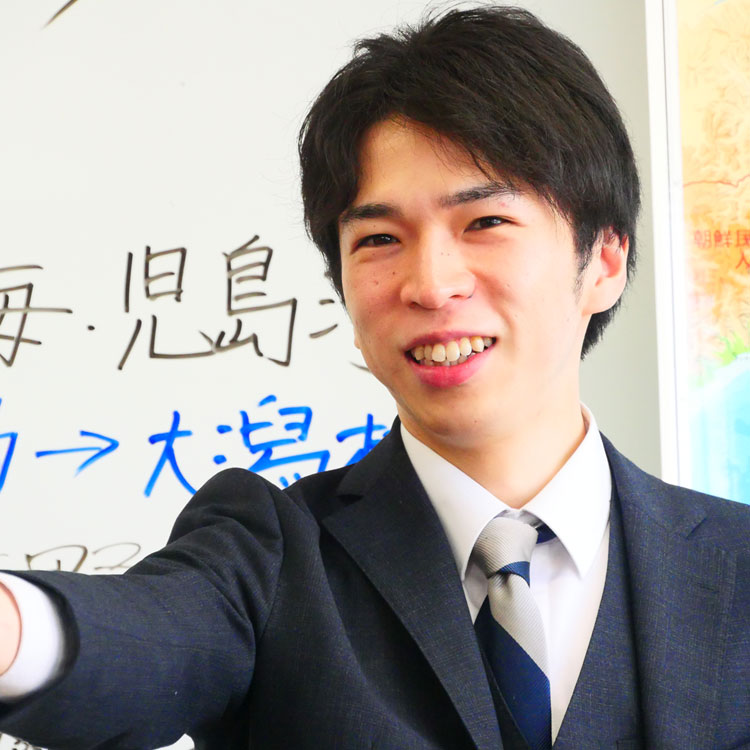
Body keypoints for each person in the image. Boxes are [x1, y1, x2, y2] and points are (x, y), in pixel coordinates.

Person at [1, 6, 749, 749]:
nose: (431, 284)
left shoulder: (735, 564)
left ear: (606, 261)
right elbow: (145, 632)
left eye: (485, 223)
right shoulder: (274, 555)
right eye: (380, 238)